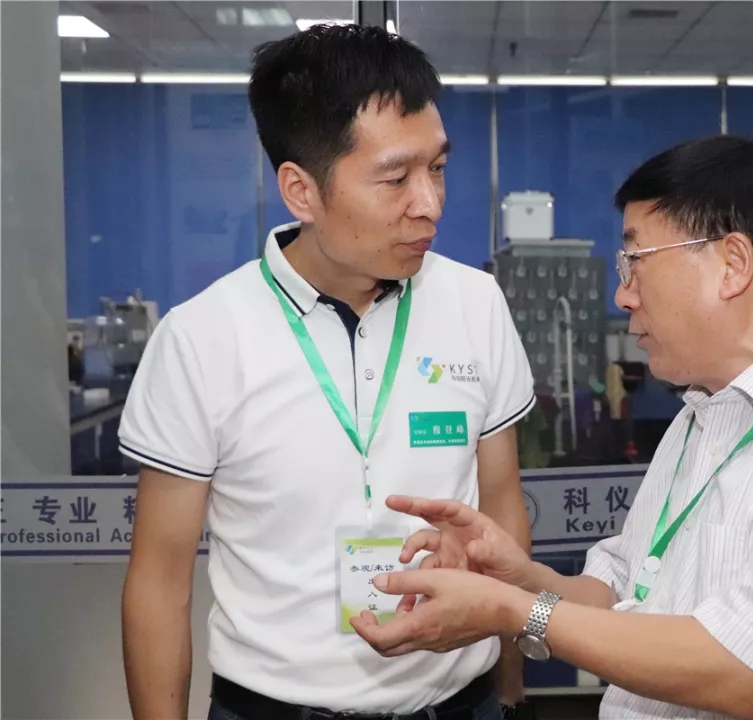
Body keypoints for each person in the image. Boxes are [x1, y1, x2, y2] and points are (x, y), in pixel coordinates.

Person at [351, 135, 753, 720]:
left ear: (732, 264)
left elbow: (745, 673)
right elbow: (628, 595)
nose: (622, 295)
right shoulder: (704, 413)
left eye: (635, 261)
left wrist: (510, 611)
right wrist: (517, 578)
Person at [119, 24, 535, 720]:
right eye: (395, 178)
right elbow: (159, 583)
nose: (429, 202)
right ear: (301, 191)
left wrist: (509, 679)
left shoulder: (475, 303)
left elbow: (501, 504)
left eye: (437, 168)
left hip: (460, 702)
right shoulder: (202, 338)